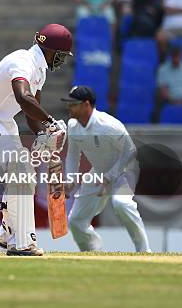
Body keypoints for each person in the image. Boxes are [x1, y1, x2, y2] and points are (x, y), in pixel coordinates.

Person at [0, 24, 73, 256]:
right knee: (21, 169)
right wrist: (52, 122)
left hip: (4, 123)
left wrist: (45, 132)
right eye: (62, 56)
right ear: (52, 51)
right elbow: (23, 98)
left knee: (22, 176)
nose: (62, 61)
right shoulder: (22, 61)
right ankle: (22, 243)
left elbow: (32, 114)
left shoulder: (39, 70)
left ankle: (7, 232)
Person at [62, 85, 151, 253]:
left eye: (73, 103)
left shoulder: (108, 125)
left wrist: (110, 176)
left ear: (86, 105)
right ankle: (91, 251)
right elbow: (73, 155)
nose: (68, 107)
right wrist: (70, 180)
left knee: (121, 204)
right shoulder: (72, 126)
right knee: (75, 221)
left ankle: (144, 251)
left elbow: (130, 151)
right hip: (98, 172)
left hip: (125, 171)